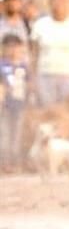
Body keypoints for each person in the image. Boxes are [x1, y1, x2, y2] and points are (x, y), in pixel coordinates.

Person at [0, 34, 30, 172]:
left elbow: (29, 83)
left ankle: (16, 162)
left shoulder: (24, 66)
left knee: (17, 133)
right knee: (4, 133)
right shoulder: (2, 65)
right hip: (5, 104)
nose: (12, 51)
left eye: (16, 47)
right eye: (9, 47)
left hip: (20, 103)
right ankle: (4, 162)